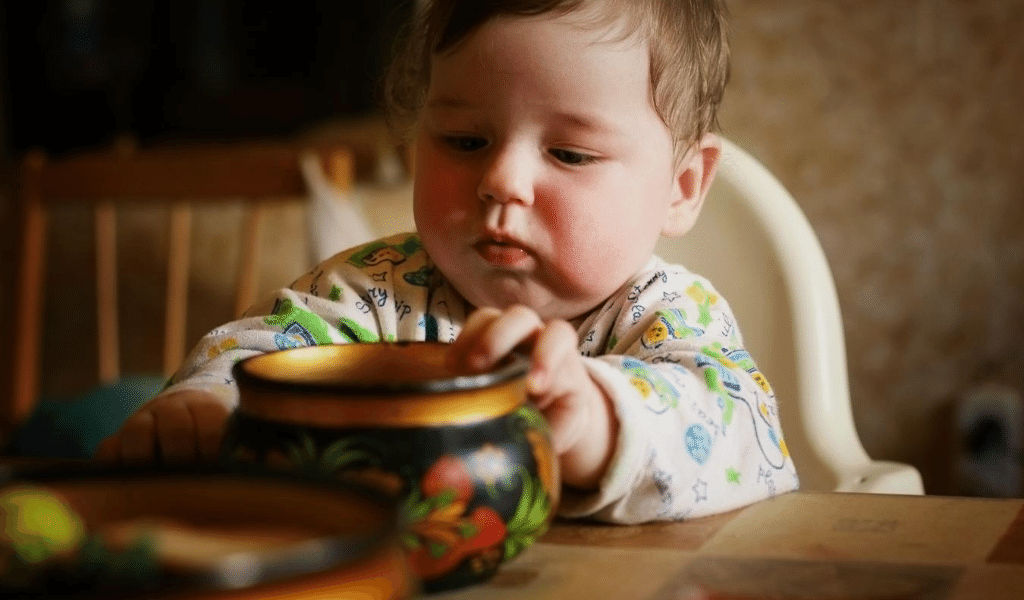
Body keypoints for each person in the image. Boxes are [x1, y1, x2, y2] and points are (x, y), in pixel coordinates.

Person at [97, 0, 799, 522]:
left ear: (681, 187)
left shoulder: (666, 313)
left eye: (569, 153)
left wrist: (595, 420)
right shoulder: (372, 292)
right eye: (465, 140)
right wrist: (206, 405)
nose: (502, 180)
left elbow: (746, 439)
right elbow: (264, 353)